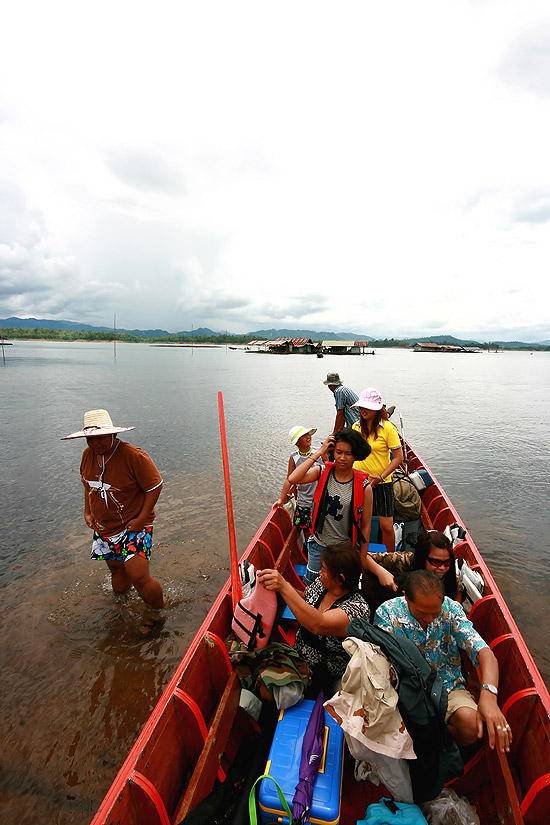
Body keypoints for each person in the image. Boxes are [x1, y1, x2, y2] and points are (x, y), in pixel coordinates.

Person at [374, 570, 512, 753]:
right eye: (422, 613)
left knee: (472, 726)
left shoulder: (452, 610)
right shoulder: (388, 613)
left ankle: (428, 742)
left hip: (448, 688)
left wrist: (489, 694)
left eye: (435, 613)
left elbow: (484, 652)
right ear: (406, 597)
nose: (429, 619)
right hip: (406, 692)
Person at [62, 409, 164, 612]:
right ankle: (122, 607)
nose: (95, 444)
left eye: (100, 438)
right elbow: (88, 485)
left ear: (113, 434)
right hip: (105, 526)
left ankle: (157, 614)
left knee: (138, 574)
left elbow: (155, 486)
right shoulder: (87, 455)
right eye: (90, 439)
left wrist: (142, 518)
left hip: (134, 523)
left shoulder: (133, 456)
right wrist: (88, 512)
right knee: (116, 568)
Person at [287, 429, 397, 592]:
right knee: (312, 592)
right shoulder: (322, 471)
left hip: (345, 551)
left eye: (348, 453)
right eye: (338, 452)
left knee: (339, 591)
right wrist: (319, 452)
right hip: (319, 546)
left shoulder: (364, 487)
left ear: (355, 456)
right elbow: (293, 478)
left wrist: (360, 560)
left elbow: (366, 527)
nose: (342, 458)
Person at [257, 543, 370, 692]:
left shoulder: (356, 610)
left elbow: (317, 624)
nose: (319, 572)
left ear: (340, 578)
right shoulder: (323, 584)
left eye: (323, 569)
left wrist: (284, 587)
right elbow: (306, 598)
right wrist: (281, 587)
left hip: (324, 674)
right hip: (298, 656)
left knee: (267, 690)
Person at [351, 387, 403, 553]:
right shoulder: (356, 427)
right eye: (361, 407)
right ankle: (358, 554)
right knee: (357, 522)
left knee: (386, 526)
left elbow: (398, 458)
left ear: (377, 409)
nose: (363, 410)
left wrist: (380, 477)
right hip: (359, 482)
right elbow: (351, 453)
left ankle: (390, 556)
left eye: (367, 407)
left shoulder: (388, 429)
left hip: (382, 483)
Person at [366, 529, 461, 611]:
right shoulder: (407, 560)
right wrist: (381, 572)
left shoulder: (452, 578)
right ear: (423, 558)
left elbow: (457, 607)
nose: (442, 568)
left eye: (447, 563)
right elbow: (364, 557)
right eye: (436, 562)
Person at [274, 426, 325, 541]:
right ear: (297, 442)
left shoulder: (319, 452)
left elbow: (329, 467)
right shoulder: (294, 457)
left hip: (320, 499)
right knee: (305, 528)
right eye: (303, 436)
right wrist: (281, 499)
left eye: (308, 434)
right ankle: (308, 549)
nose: (308, 437)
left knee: (319, 527)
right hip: (304, 501)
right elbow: (289, 479)